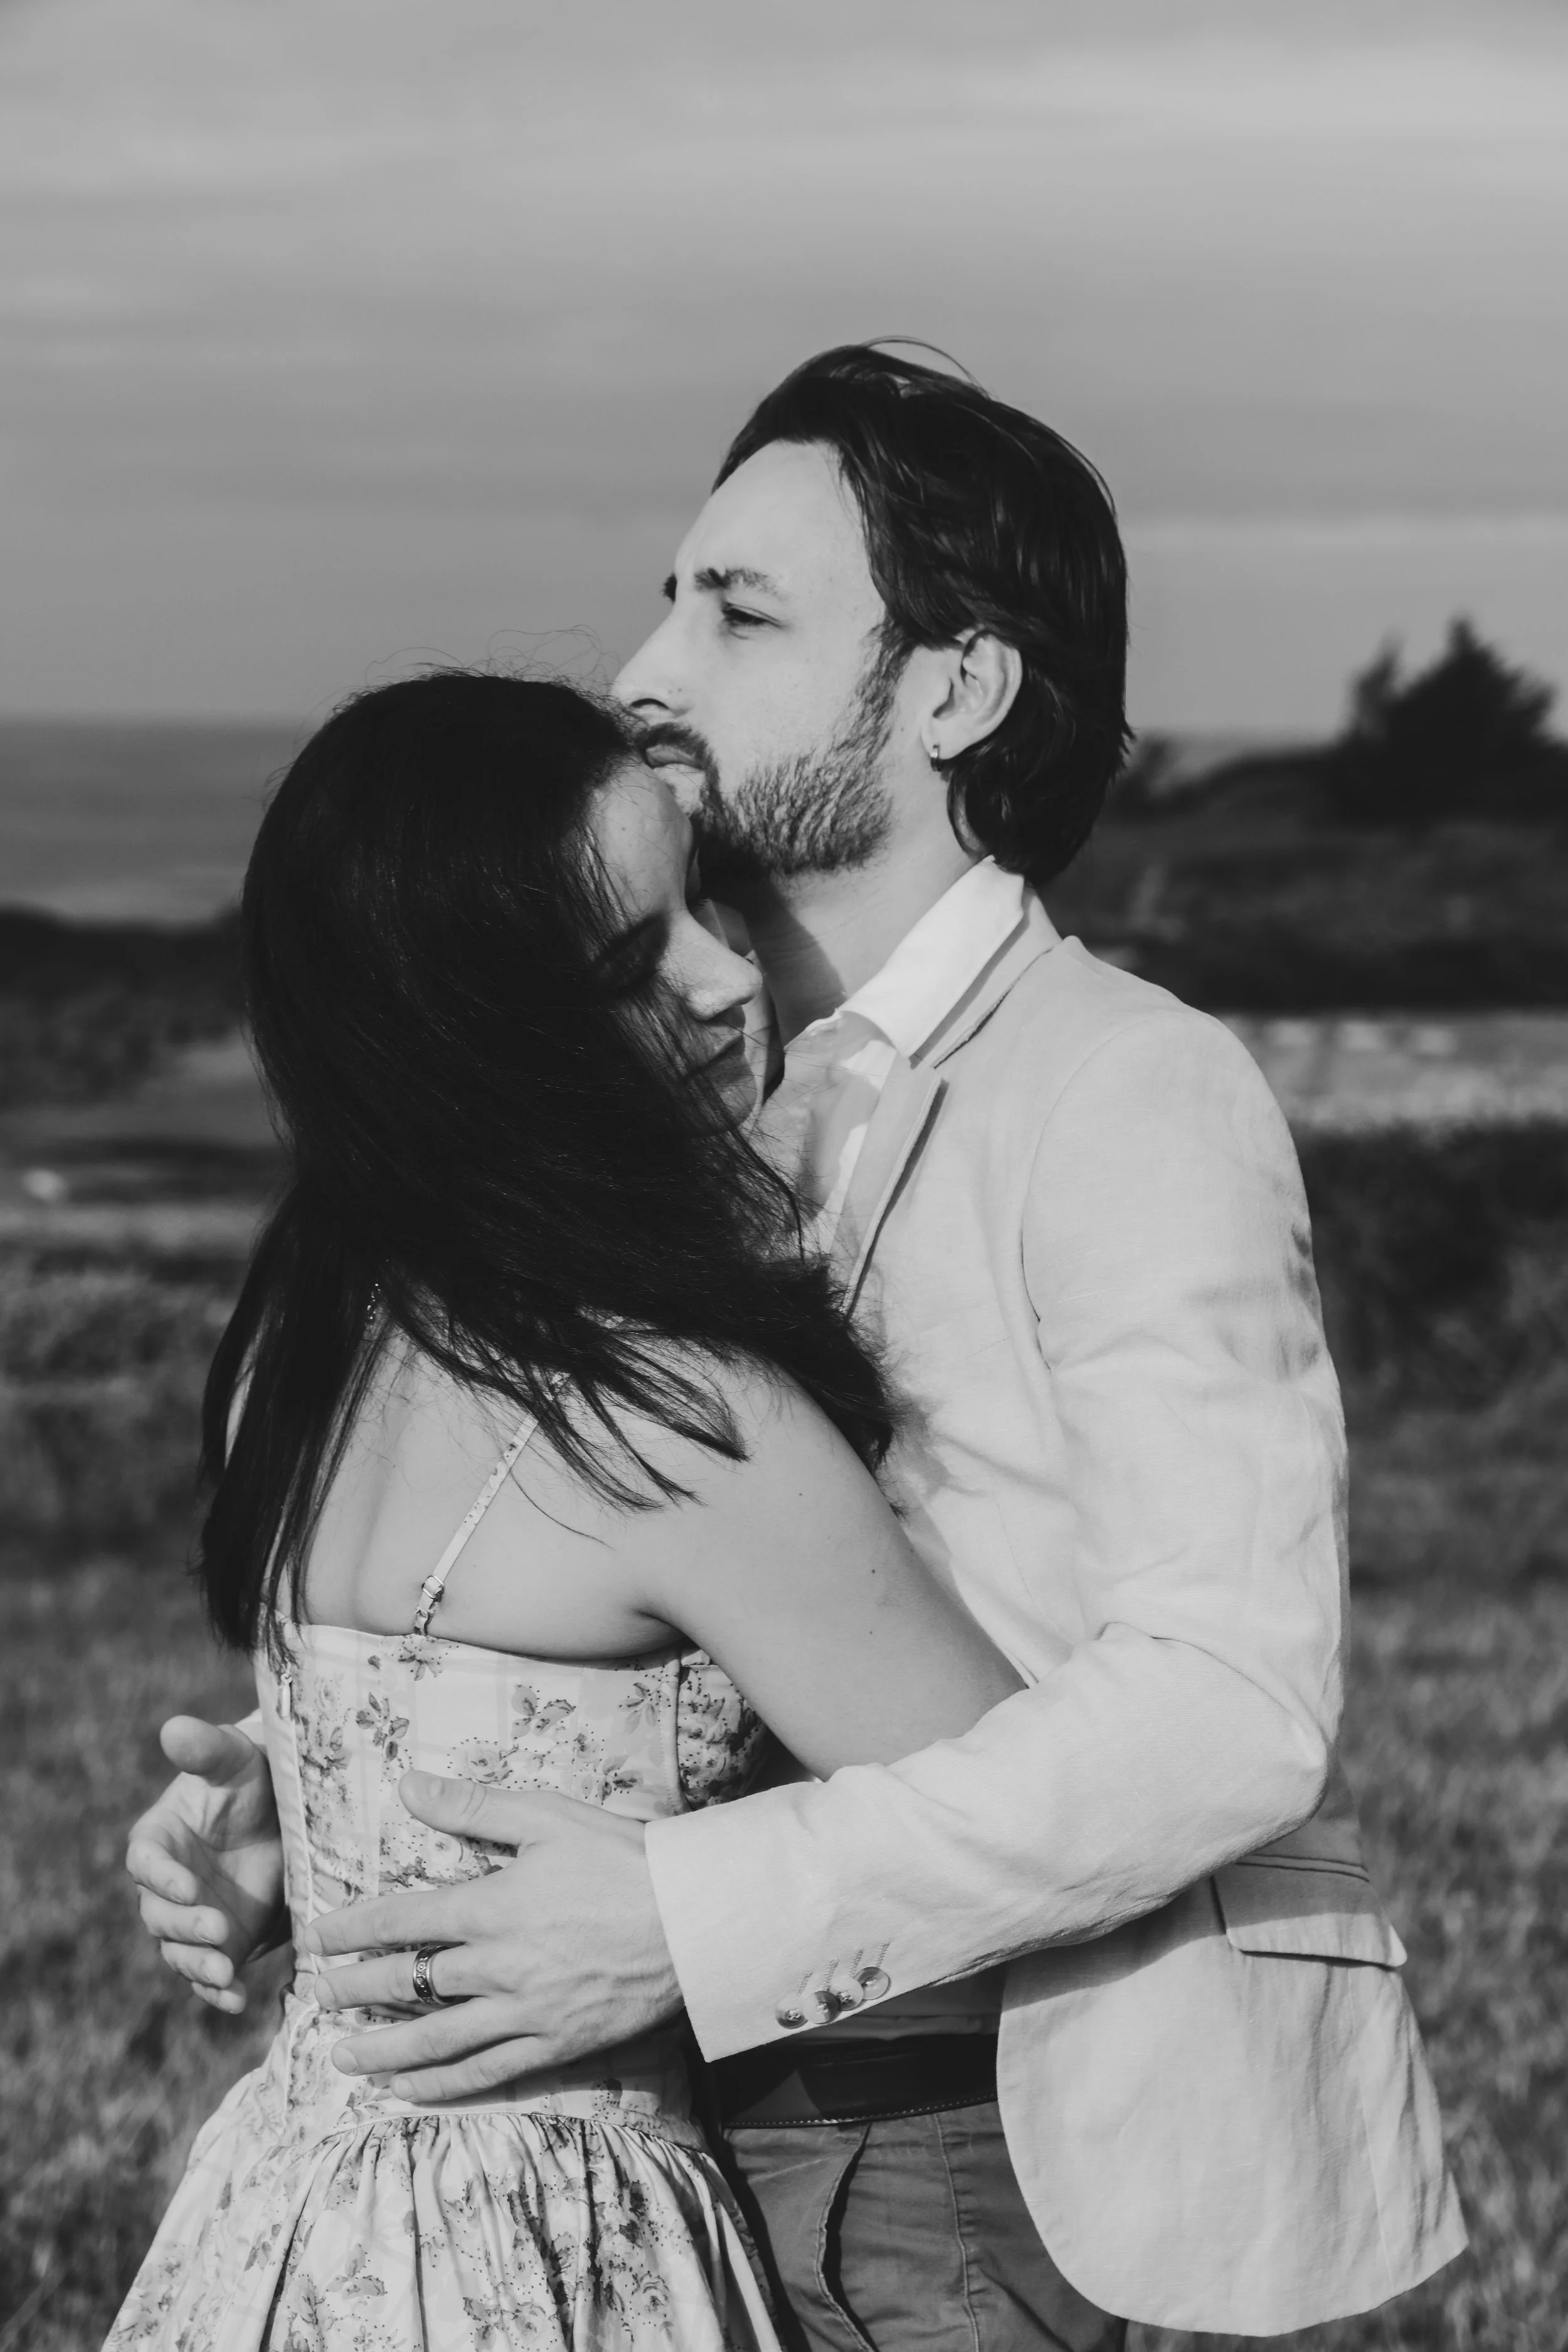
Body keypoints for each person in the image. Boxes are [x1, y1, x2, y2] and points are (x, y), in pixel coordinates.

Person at [129, 348, 1467, 2348]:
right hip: (638, 2137)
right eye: (670, 589)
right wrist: (348, 1813)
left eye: (739, 611)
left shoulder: (1128, 1091)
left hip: (974, 2135)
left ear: (950, 690)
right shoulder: (649, 1059)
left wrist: (677, 1919)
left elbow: (1227, 1710)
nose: (651, 662)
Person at [109, 669, 1023, 2352]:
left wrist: (291, 1841)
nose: (728, 974)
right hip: (555, 2252)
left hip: (290, 2222)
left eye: (703, 894)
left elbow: (424, 1695)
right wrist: (696, 1923)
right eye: (628, 965)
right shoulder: (677, 1423)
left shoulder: (304, 1337)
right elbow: (1041, 1832)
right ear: (479, 1042)